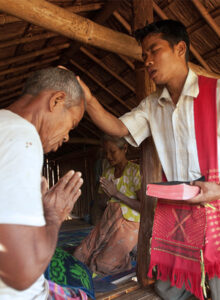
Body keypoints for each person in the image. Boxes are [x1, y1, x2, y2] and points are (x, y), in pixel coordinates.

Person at [76, 20, 220, 300]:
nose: (148, 61)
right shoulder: (152, 105)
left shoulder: (216, 93)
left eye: (154, 51)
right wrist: (89, 99)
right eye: (144, 56)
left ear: (180, 49)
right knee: (170, 290)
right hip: (177, 211)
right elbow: (118, 128)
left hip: (215, 204)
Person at [0, 67, 86, 299]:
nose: (67, 137)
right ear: (57, 100)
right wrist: (53, 216)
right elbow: (21, 274)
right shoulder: (22, 138)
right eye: (72, 124)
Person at [73, 135, 141, 275]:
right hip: (108, 220)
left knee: (103, 265)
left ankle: (128, 257)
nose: (108, 156)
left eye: (113, 151)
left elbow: (143, 207)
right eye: (106, 152)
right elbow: (101, 202)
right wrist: (106, 197)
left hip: (130, 223)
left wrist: (117, 194)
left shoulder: (135, 171)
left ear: (125, 149)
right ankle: (122, 252)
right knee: (78, 256)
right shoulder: (108, 172)